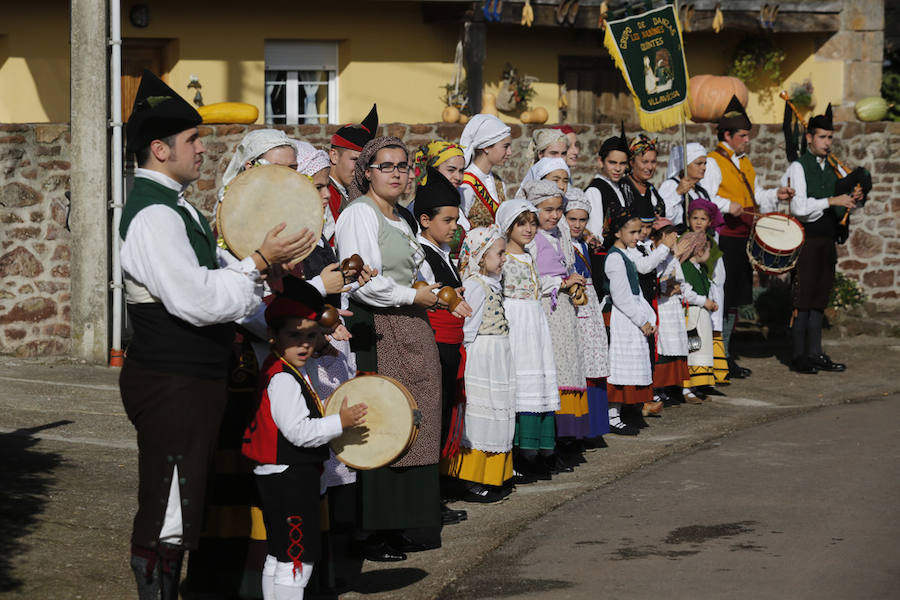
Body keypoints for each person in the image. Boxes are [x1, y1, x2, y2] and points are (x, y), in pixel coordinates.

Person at [119, 70, 314, 599]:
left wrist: (252, 273)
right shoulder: (153, 216)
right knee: (169, 510)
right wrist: (256, 262)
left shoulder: (176, 206)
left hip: (188, 381)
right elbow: (198, 300)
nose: (202, 149)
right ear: (159, 149)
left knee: (183, 507)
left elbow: (221, 287)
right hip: (171, 382)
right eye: (192, 140)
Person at [334, 136, 444, 561]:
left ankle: (400, 520)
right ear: (367, 172)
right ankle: (371, 527)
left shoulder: (400, 216)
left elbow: (400, 271)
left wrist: (420, 291)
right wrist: (411, 297)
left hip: (410, 323)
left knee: (414, 417)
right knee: (384, 419)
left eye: (403, 166)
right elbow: (363, 279)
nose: (397, 173)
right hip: (377, 327)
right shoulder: (358, 214)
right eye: (387, 166)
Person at [242, 276, 367, 600]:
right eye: (294, 336)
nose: (304, 345)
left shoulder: (286, 368)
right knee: (297, 560)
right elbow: (297, 432)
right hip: (289, 479)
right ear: (273, 336)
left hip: (284, 476)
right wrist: (339, 422)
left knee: (281, 555)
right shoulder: (283, 378)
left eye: (311, 337)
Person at [699, 95, 794, 379]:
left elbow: (757, 195)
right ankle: (720, 358)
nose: (747, 140)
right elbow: (706, 198)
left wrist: (776, 195)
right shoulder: (714, 162)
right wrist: (729, 206)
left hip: (743, 238)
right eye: (742, 135)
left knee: (736, 300)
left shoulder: (744, 162)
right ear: (727, 135)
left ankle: (727, 354)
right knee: (723, 299)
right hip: (724, 238)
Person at [413, 167, 477, 510]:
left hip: (450, 345)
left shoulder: (441, 253)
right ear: (425, 220)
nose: (455, 226)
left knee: (447, 413)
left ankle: (441, 487)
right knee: (433, 418)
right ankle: (429, 498)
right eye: (448, 220)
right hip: (435, 344)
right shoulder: (421, 255)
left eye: (456, 219)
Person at [781, 104, 858, 374]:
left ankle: (815, 353)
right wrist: (832, 199)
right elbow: (799, 208)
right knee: (803, 297)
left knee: (819, 298)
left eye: (830, 137)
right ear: (810, 137)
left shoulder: (832, 168)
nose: (827, 142)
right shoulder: (799, 167)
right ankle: (799, 356)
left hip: (827, 239)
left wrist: (851, 199)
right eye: (822, 137)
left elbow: (839, 203)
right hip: (807, 240)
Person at [442, 226, 517, 501]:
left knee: (498, 412)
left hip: (498, 356)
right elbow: (468, 330)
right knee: (479, 417)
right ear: (481, 256)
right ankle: (471, 479)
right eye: (499, 253)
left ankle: (493, 473)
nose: (504, 258)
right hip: (482, 357)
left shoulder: (494, 284)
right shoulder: (475, 286)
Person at [524, 179, 589, 469]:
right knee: (554, 370)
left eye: (557, 210)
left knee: (568, 366)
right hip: (546, 311)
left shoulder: (557, 236)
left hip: (562, 311)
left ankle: (565, 438)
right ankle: (551, 442)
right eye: (547, 210)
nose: (553, 216)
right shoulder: (533, 240)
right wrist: (560, 282)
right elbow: (532, 278)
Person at [496, 199, 560, 478]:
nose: (529, 229)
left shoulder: (528, 256)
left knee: (540, 380)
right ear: (508, 226)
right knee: (521, 384)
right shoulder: (503, 258)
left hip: (535, 324)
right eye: (522, 223)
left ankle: (539, 450)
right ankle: (521, 450)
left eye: (532, 223)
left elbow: (537, 286)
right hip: (517, 323)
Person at [604, 212, 658, 435]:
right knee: (617, 367)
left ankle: (622, 412)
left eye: (639, 231)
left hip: (631, 314)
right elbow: (622, 296)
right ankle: (612, 415)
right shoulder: (615, 257)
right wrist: (641, 320)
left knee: (628, 365)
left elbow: (636, 293)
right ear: (618, 232)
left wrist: (648, 318)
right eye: (632, 232)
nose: (638, 236)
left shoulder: (627, 253)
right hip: (620, 317)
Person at [564, 189, 610, 445]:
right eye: (573, 219)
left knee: (594, 362)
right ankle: (580, 427)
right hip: (576, 301)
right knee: (581, 363)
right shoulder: (565, 244)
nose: (578, 224)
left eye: (582, 220)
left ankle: (594, 425)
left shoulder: (583, 243)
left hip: (589, 301)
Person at [684, 199, 730, 385]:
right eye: (695, 218)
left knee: (711, 330)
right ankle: (693, 379)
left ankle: (711, 375)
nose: (698, 222)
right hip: (694, 293)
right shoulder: (685, 240)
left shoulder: (712, 241)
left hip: (711, 289)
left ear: (709, 222)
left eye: (703, 219)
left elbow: (718, 270)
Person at [680, 233, 720, 402]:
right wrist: (705, 301)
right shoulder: (686, 268)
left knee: (699, 349)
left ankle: (695, 386)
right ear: (699, 250)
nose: (709, 254)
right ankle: (686, 389)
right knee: (692, 349)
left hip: (701, 315)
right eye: (708, 250)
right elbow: (686, 294)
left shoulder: (700, 269)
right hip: (693, 314)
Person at [327, 104, 378, 232]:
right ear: (334, 156)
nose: (360, 168)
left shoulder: (350, 193)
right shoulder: (326, 195)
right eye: (355, 160)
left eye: (365, 163)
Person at [412, 140, 467, 257]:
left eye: (461, 171)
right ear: (433, 169)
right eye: (451, 170)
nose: (458, 177)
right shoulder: (419, 207)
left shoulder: (458, 203)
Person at [460, 114, 512, 228]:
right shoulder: (465, 185)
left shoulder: (499, 181)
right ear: (486, 147)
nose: (510, 152)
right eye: (505, 146)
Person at [658, 142, 711, 226]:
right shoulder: (671, 185)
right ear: (684, 166)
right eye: (699, 163)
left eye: (705, 164)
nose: (704, 168)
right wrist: (677, 193)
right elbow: (664, 215)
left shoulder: (700, 191)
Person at [621, 133, 665, 220]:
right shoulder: (622, 188)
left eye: (653, 162)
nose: (650, 167)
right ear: (631, 162)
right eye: (645, 162)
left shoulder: (651, 189)